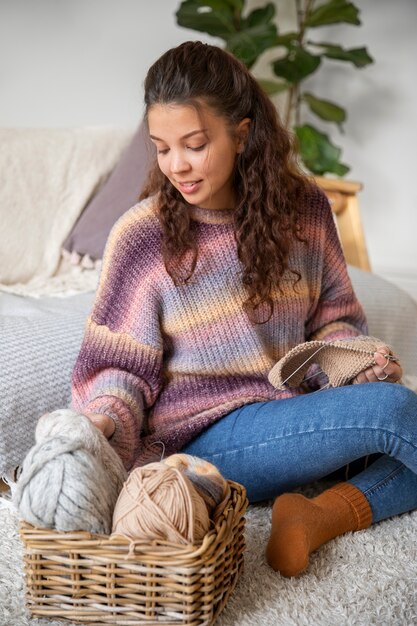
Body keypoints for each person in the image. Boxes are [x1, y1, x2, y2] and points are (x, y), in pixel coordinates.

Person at [71, 41, 417, 578]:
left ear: (242, 132)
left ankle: (316, 516)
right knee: (398, 414)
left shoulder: (304, 209)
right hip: (202, 441)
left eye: (194, 144)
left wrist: (357, 362)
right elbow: (119, 367)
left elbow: (335, 319)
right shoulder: (142, 236)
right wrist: (105, 419)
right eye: (162, 148)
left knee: (401, 410)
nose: (176, 166)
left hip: (291, 414)